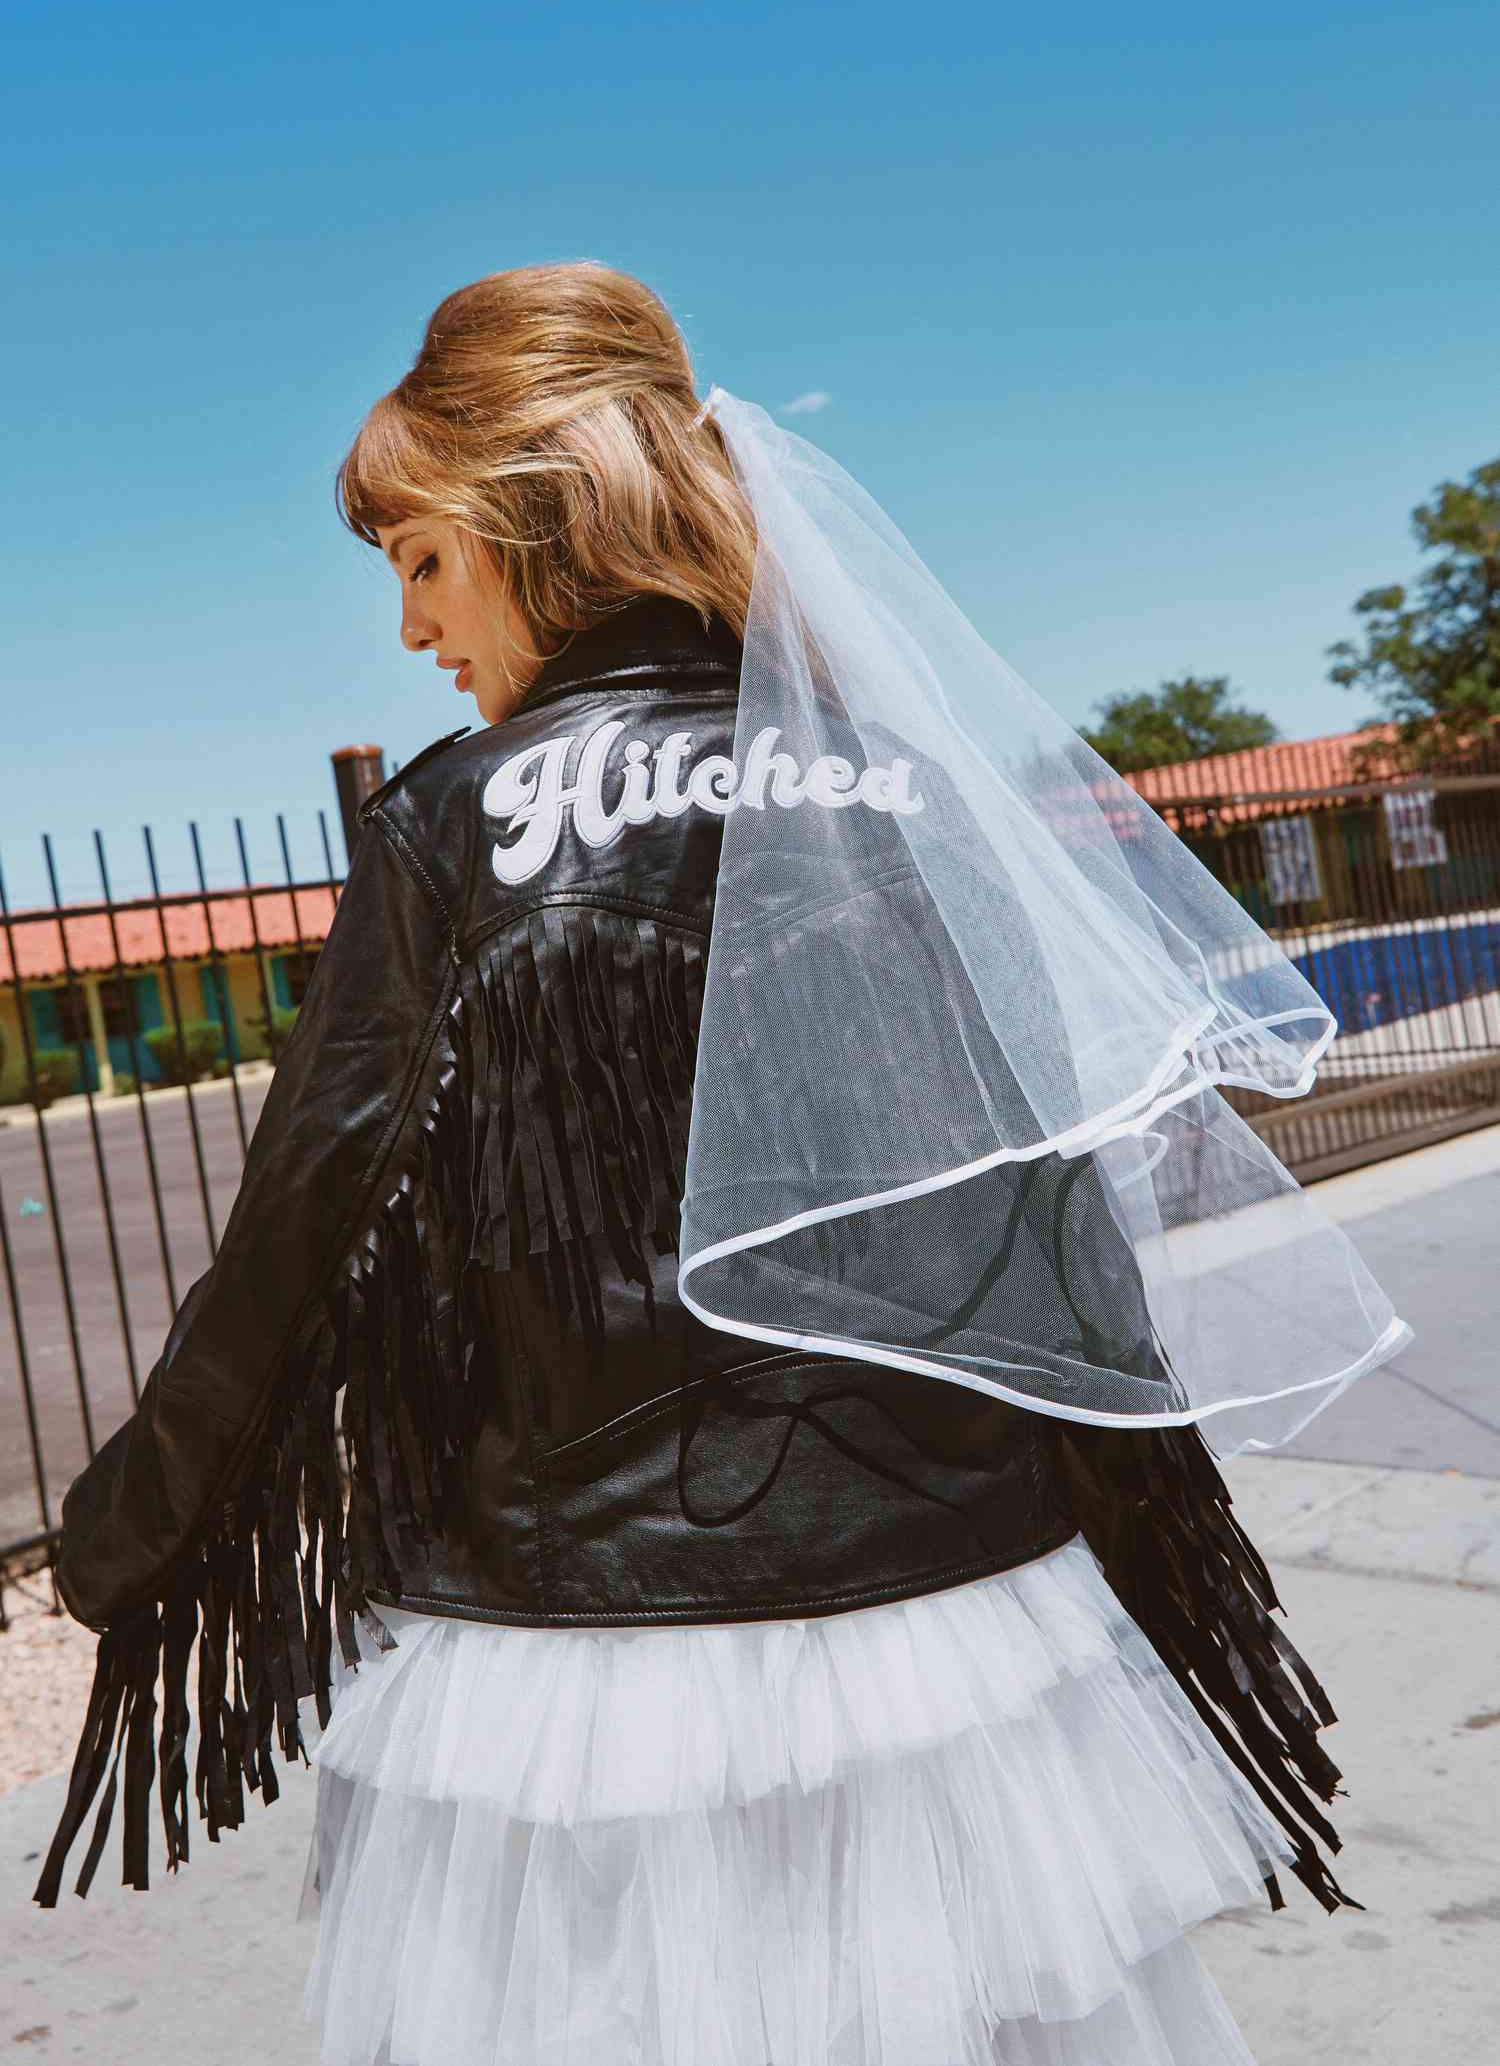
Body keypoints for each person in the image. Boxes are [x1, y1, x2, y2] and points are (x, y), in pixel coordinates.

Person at [34, 260, 1405, 2066]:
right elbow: (1050, 1216)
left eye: (421, 559)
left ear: (534, 522)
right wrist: (1164, 1556)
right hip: (956, 1635)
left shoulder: (453, 820)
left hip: (593, 1670)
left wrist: (135, 1524)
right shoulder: (902, 782)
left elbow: (308, 1233)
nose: (410, 629)